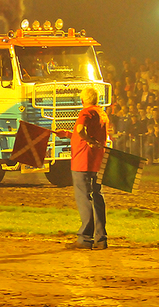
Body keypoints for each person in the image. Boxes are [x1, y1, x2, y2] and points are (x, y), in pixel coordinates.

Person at [56, 87, 109, 250]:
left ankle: (85, 238)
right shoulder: (102, 113)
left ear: (82, 100)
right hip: (97, 161)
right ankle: (101, 238)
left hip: (82, 161)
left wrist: (85, 138)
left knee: (84, 198)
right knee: (97, 197)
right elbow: (85, 133)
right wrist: (67, 134)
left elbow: (81, 130)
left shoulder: (85, 113)